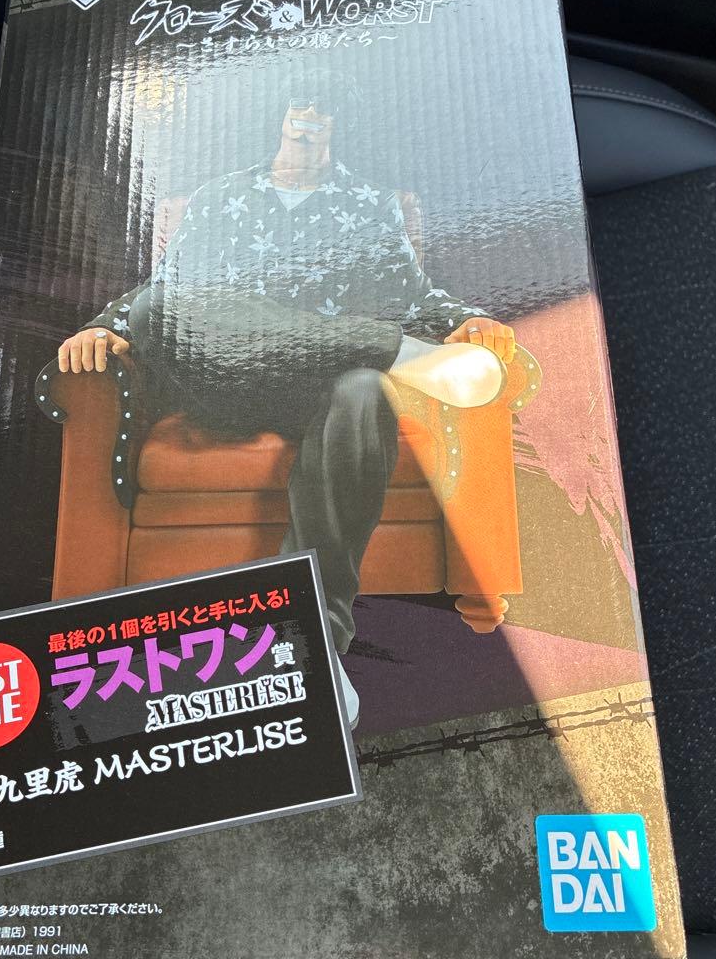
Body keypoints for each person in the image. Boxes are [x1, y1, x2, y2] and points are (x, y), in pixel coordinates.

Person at [57, 69, 516, 727]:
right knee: (161, 310)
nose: (309, 118)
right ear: (278, 116)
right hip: (232, 380)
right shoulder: (221, 198)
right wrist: (106, 325)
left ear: (337, 124)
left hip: (323, 388)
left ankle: (312, 642)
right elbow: (166, 291)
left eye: (323, 110)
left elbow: (415, 295)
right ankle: (392, 350)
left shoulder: (368, 204)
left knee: (363, 390)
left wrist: (470, 320)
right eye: (300, 105)